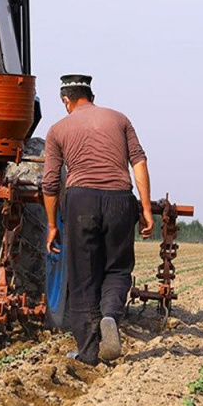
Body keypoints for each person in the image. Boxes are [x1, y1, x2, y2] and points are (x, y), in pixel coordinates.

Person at [42, 74, 154, 365]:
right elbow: (139, 162)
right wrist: (144, 208)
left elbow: (50, 184)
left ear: (66, 100)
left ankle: (89, 351)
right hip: (119, 198)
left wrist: (52, 225)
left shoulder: (57, 130)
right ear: (91, 95)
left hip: (81, 201)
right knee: (117, 268)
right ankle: (110, 316)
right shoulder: (120, 119)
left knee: (82, 278)